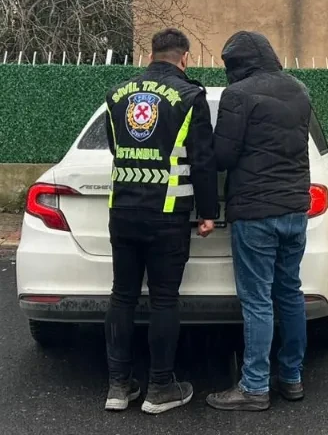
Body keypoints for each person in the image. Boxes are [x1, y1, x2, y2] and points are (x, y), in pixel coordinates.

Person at [102, 28, 217, 414]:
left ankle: (118, 387)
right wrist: (208, 212)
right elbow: (202, 160)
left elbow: (118, 148)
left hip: (123, 211)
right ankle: (160, 387)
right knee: (164, 298)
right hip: (167, 213)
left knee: (123, 295)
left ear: (151, 55)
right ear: (183, 58)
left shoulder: (117, 95)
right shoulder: (190, 96)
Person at [207, 31, 313, 412]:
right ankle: (292, 377)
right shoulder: (299, 90)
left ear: (236, 64)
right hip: (295, 209)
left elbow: (223, 155)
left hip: (255, 212)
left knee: (256, 301)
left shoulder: (239, 95)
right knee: (290, 293)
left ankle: (253, 387)